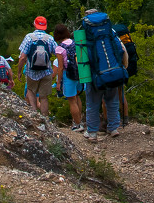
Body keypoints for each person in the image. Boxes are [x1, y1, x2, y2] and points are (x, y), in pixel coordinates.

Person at [82, 8, 127, 140]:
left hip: (95, 75)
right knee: (112, 101)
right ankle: (113, 128)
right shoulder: (110, 31)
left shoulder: (84, 35)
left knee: (92, 104)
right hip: (113, 71)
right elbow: (120, 49)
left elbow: (82, 58)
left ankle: (92, 132)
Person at [17, 15, 58, 117]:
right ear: (45, 26)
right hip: (46, 71)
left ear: (34, 24)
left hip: (32, 71)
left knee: (31, 91)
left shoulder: (29, 37)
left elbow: (22, 57)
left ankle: (35, 115)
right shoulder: (50, 38)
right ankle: (45, 118)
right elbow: (58, 54)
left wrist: (19, 71)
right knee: (44, 97)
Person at [53, 23, 84, 131]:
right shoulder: (75, 43)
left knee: (71, 100)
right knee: (78, 97)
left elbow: (60, 67)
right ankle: (81, 122)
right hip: (80, 74)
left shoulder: (59, 48)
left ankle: (77, 124)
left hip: (68, 75)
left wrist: (58, 81)